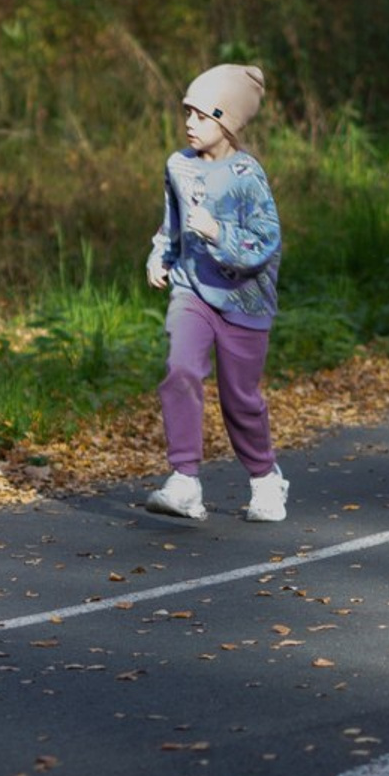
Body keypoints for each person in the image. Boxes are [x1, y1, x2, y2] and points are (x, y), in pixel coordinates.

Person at [144, 63, 288, 522]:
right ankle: (184, 480)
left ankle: (266, 480)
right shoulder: (177, 166)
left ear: (227, 121)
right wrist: (159, 256)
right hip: (191, 290)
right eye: (187, 112)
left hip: (245, 300)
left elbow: (267, 241)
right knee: (179, 368)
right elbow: (172, 224)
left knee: (239, 399)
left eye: (202, 116)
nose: (189, 123)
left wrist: (219, 233)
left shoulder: (247, 174)